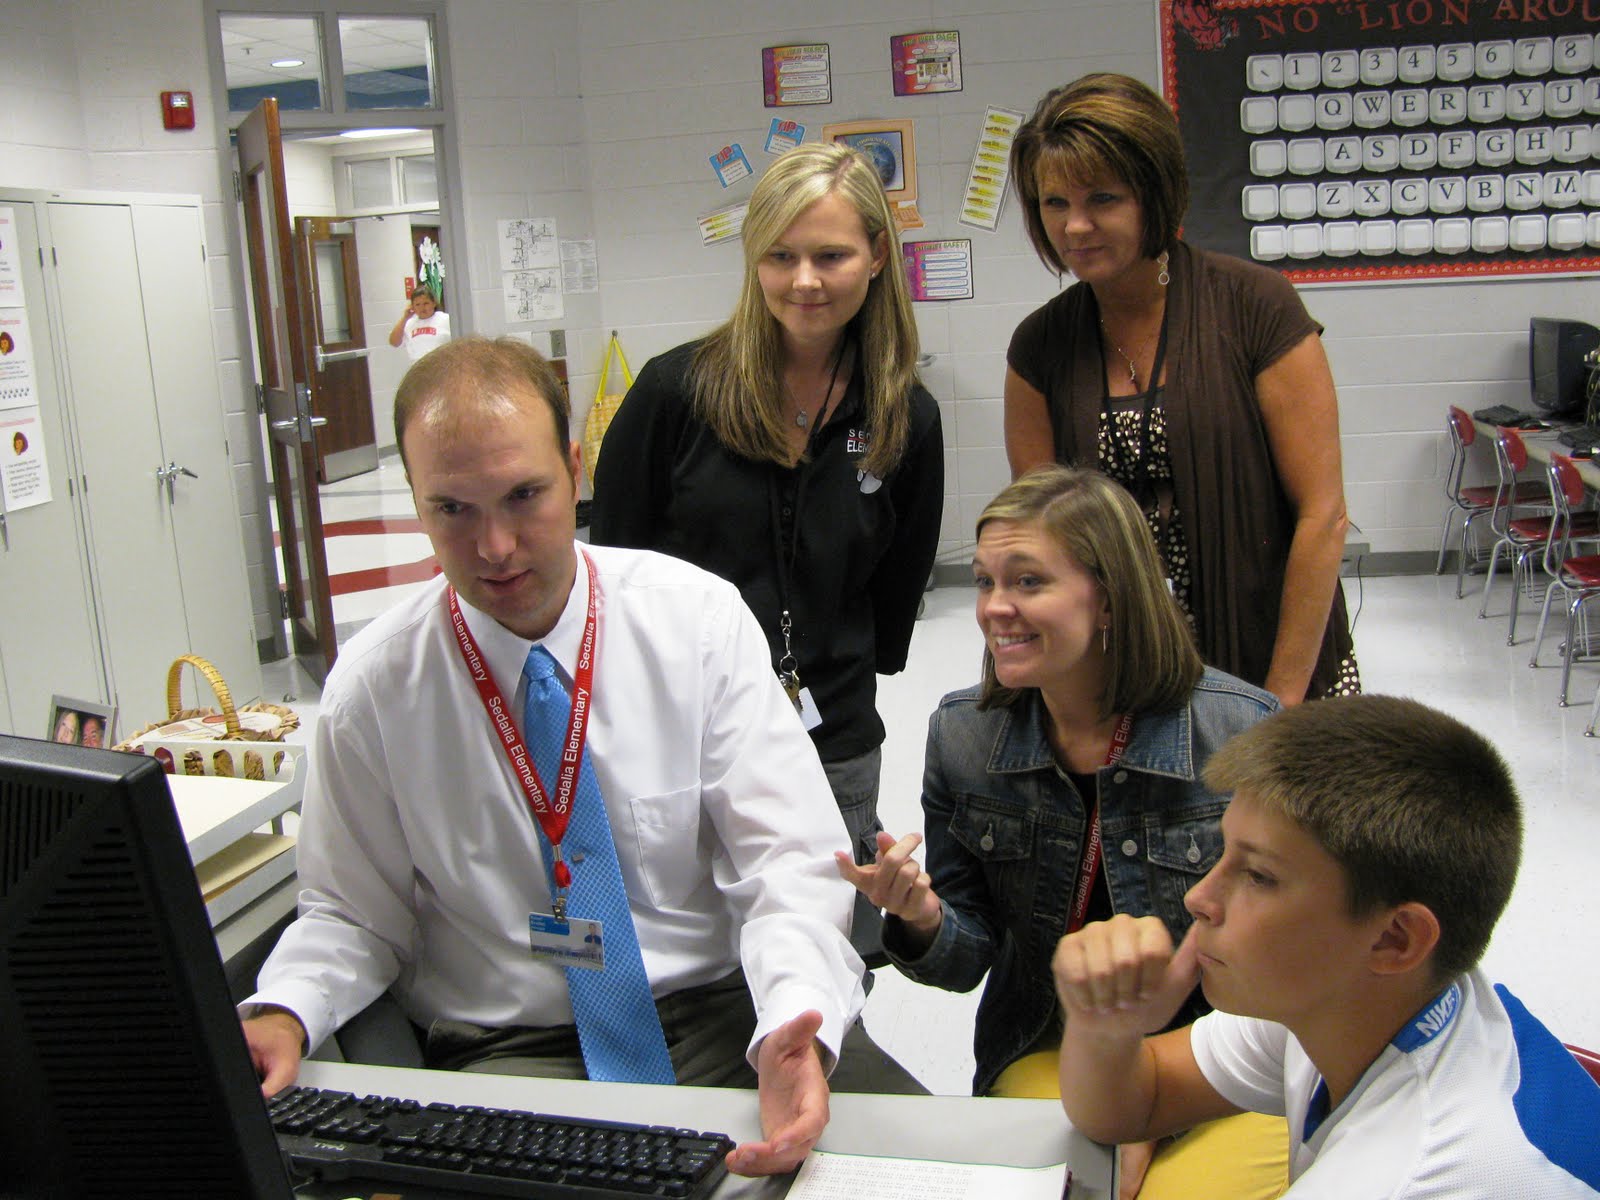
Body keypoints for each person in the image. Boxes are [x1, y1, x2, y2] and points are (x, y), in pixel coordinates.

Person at [240, 336, 914, 1179]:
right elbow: (350, 911)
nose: (495, 546)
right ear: (415, 503)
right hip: (515, 1053)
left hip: (727, 1018)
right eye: (453, 509)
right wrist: (286, 1010)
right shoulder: (374, 690)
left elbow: (784, 864)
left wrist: (792, 1022)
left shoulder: (696, 624)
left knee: (931, 1172)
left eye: (524, 496)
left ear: (573, 468)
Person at [838, 466, 1280, 1194]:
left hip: (1221, 1048)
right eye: (984, 582)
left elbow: (1287, 956)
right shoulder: (965, 736)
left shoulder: (1239, 733)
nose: (994, 608)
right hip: (1052, 1040)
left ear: (1109, 597)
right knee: (1066, 1186)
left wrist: (1151, 1103)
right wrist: (922, 917)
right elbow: (967, 960)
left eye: (1028, 581)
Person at [590, 141, 943, 958]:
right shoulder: (675, 393)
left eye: (830, 255)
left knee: (828, 951)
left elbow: (898, 589)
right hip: (684, 734)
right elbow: (613, 573)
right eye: (780, 256)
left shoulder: (903, 417)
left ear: (877, 255)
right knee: (695, 954)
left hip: (833, 734)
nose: (804, 280)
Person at [1053, 695, 1600, 1199]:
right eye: (1224, 853)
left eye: (1259, 875)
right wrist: (1107, 1025)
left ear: (1395, 938)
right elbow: (1137, 1102)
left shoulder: (1415, 1175)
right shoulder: (1352, 999)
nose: (1198, 898)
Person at [1004, 73, 1355, 706]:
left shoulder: (1255, 306)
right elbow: (1043, 537)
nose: (1075, 226)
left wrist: (1276, 707)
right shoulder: (1040, 347)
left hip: (1273, 657)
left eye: (1102, 198)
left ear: (1155, 193)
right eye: (1054, 203)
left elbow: (1322, 515)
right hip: (1125, 671)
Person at [388, 286, 451, 360]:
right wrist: (405, 318)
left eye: (426, 303)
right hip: (418, 364)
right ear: (412, 307)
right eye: (417, 304)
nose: (422, 308)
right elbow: (394, 342)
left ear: (434, 303)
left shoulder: (446, 319)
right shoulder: (409, 324)